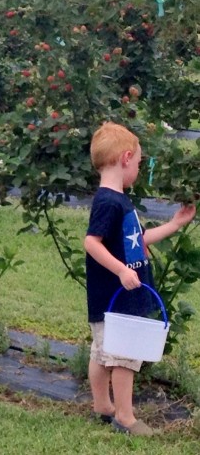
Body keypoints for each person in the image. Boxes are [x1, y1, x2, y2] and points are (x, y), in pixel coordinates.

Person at [84, 121, 195, 436]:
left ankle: (102, 406)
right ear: (126, 158)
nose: (138, 167)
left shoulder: (119, 201)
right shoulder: (108, 201)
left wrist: (175, 223)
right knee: (123, 357)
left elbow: (138, 240)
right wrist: (121, 270)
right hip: (115, 297)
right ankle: (125, 417)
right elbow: (92, 242)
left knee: (103, 353)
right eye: (139, 162)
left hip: (116, 298)